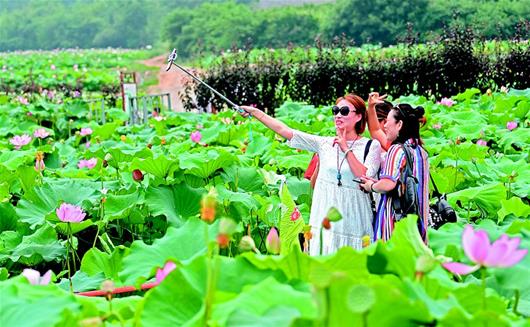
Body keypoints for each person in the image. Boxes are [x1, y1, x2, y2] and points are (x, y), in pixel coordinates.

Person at [239, 94, 381, 254]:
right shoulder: (324, 144)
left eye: (344, 111)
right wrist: (255, 112)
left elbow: (364, 177)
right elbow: (284, 130)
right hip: (324, 224)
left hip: (355, 224)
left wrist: (345, 149)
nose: (338, 115)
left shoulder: (371, 146)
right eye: (335, 111)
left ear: (359, 116)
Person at [360, 92, 430, 242]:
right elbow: (375, 131)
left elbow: (387, 184)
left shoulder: (396, 150)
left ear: (399, 124)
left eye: (388, 121)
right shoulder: (420, 151)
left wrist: (370, 186)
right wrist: (371, 107)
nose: (384, 125)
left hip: (396, 222)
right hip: (418, 223)